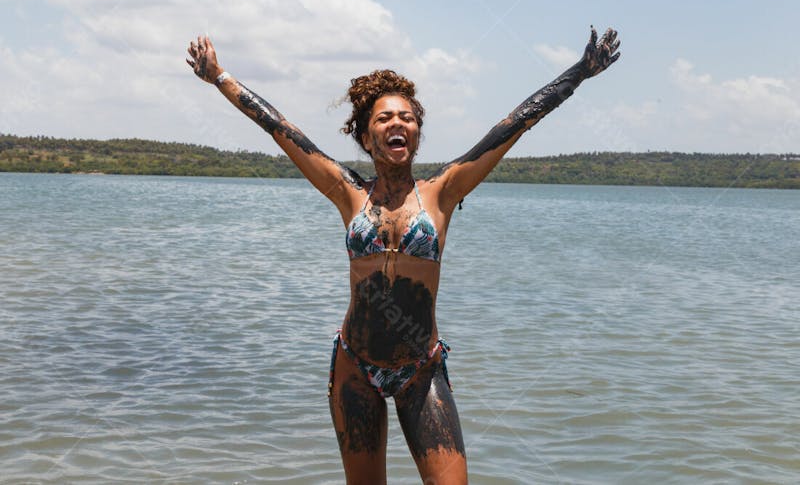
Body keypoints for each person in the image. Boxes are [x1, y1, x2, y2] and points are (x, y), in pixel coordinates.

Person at [186, 26, 620, 484]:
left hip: (420, 371)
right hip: (355, 367)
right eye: (385, 118)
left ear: (417, 133)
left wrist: (580, 72)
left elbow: (515, 123)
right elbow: (280, 129)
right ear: (366, 137)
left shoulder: (443, 192)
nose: (399, 123)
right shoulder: (347, 193)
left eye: (408, 117)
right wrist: (220, 77)